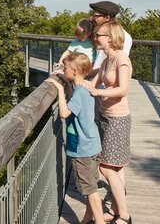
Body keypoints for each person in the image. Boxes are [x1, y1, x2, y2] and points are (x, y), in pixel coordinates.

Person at [45, 53, 105, 224]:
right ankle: (88, 218)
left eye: (65, 68)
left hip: (83, 149)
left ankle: (99, 221)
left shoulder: (79, 93)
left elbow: (64, 113)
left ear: (76, 71)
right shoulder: (85, 87)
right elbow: (72, 82)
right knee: (91, 185)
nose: (64, 70)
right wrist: (60, 74)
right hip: (93, 144)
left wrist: (59, 89)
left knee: (90, 190)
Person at [84, 20, 133, 224]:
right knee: (117, 167)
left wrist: (99, 92)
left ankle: (125, 215)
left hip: (118, 118)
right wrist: (67, 76)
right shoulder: (106, 58)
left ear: (111, 37)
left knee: (105, 167)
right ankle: (115, 211)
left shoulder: (121, 59)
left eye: (99, 35)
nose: (95, 38)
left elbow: (123, 89)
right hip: (105, 116)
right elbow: (91, 84)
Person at [88, 1, 132, 70]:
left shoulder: (123, 36)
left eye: (96, 16)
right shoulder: (102, 33)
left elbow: (116, 66)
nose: (92, 18)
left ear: (107, 18)